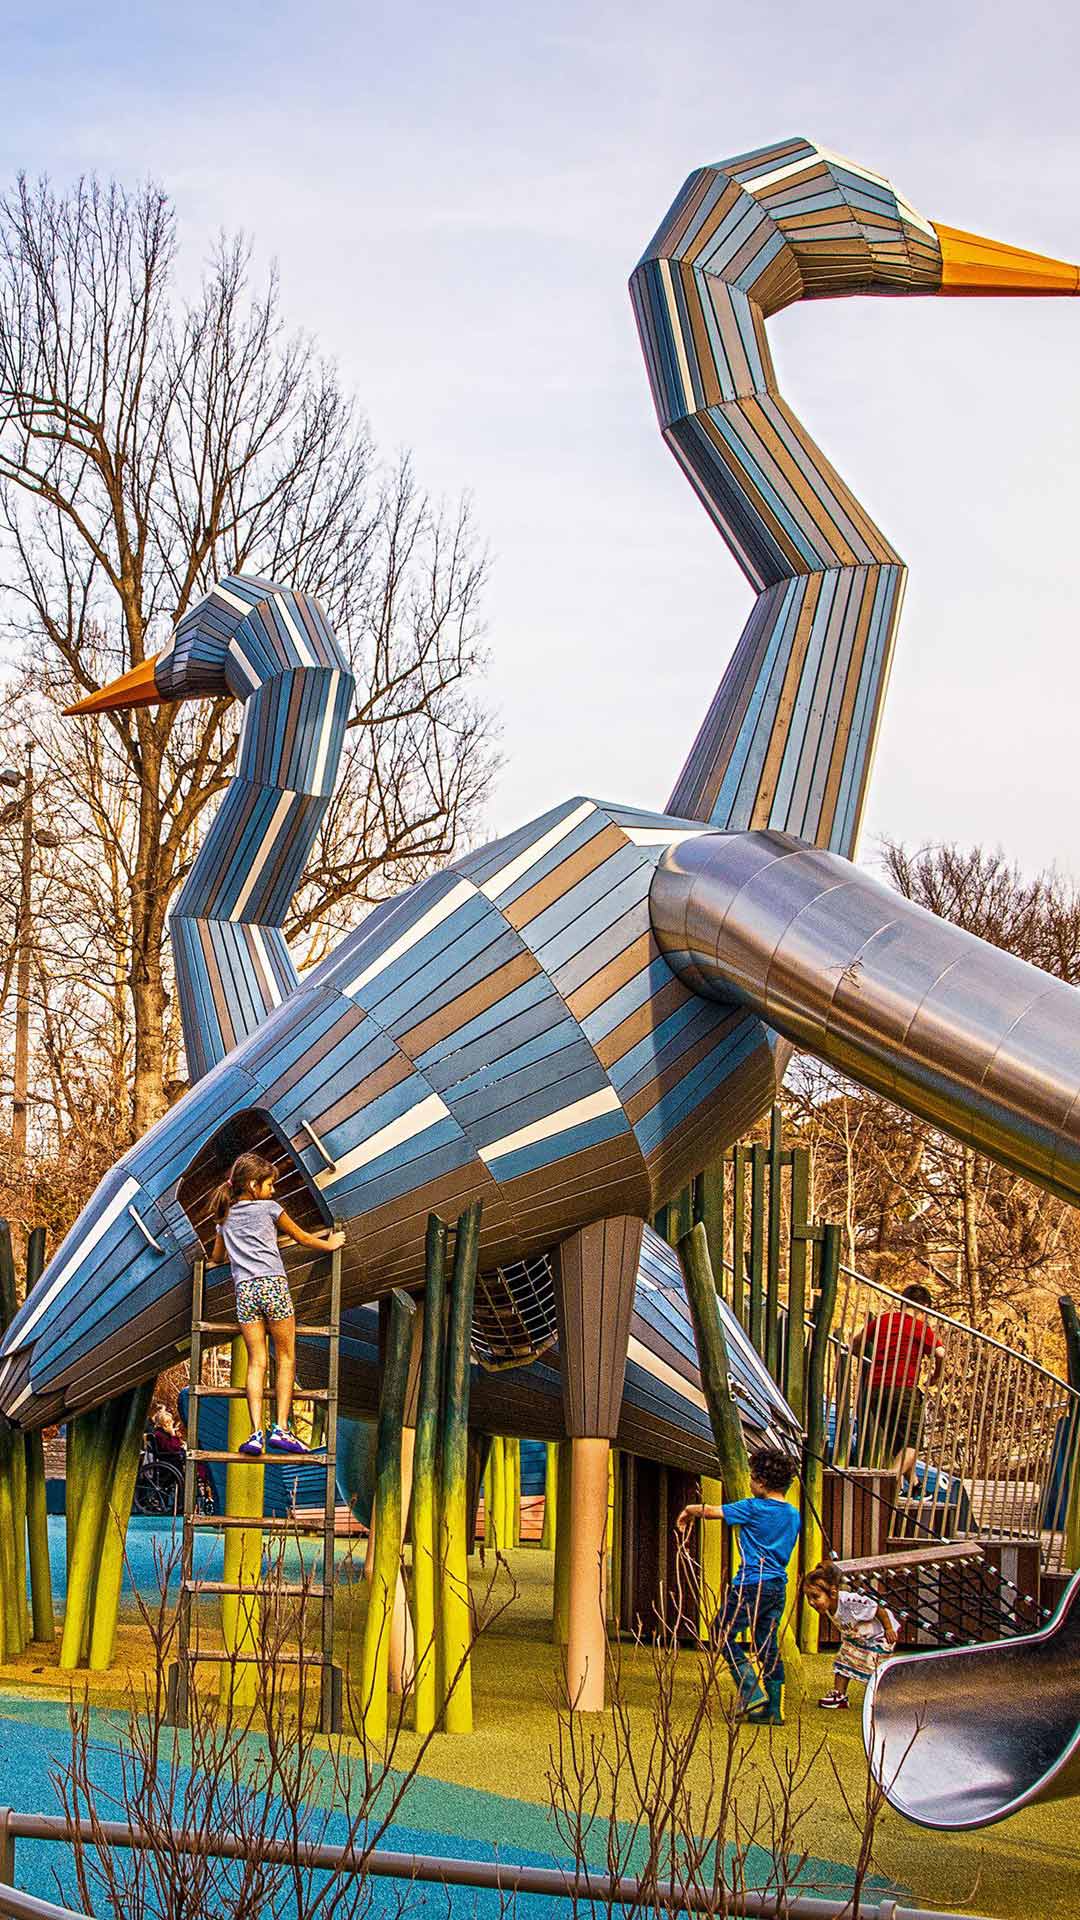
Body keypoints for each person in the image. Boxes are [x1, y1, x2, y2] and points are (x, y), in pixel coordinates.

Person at [211, 1151, 344, 1458]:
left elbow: (217, 1257)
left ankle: (255, 1433)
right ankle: (281, 1429)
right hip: (273, 1285)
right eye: (269, 1184)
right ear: (253, 1185)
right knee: (285, 1358)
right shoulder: (270, 1209)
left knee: (256, 1361)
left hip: (245, 1291)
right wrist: (330, 1244)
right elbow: (302, 1238)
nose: (273, 1190)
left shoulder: (224, 1217)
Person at [676, 1446, 800, 1726]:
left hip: (751, 1584)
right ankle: (775, 1709)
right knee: (767, 1643)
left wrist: (689, 1510)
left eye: (752, 1477)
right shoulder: (793, 1515)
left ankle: (750, 1690)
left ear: (762, 1482)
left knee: (720, 1631)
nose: (750, 1482)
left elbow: (713, 1512)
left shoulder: (753, 1508)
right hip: (777, 1585)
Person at [849, 1283, 943, 1482]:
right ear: (925, 1307)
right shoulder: (919, 1327)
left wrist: (863, 1357)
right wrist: (936, 1376)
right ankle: (887, 1484)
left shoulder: (883, 1320)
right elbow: (941, 1353)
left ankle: (914, 1485)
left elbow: (856, 1342)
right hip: (903, 1388)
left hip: (875, 1389)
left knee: (899, 1443)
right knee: (913, 1443)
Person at [802, 1559, 898, 1709]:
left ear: (833, 1593)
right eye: (808, 1597)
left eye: (815, 1596)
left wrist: (888, 1629)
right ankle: (839, 1695)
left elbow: (878, 1608)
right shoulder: (829, 1606)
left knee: (874, 1665)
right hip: (859, 1636)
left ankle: (882, 1698)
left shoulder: (850, 1602)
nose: (811, 1602)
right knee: (844, 1658)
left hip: (879, 1635)